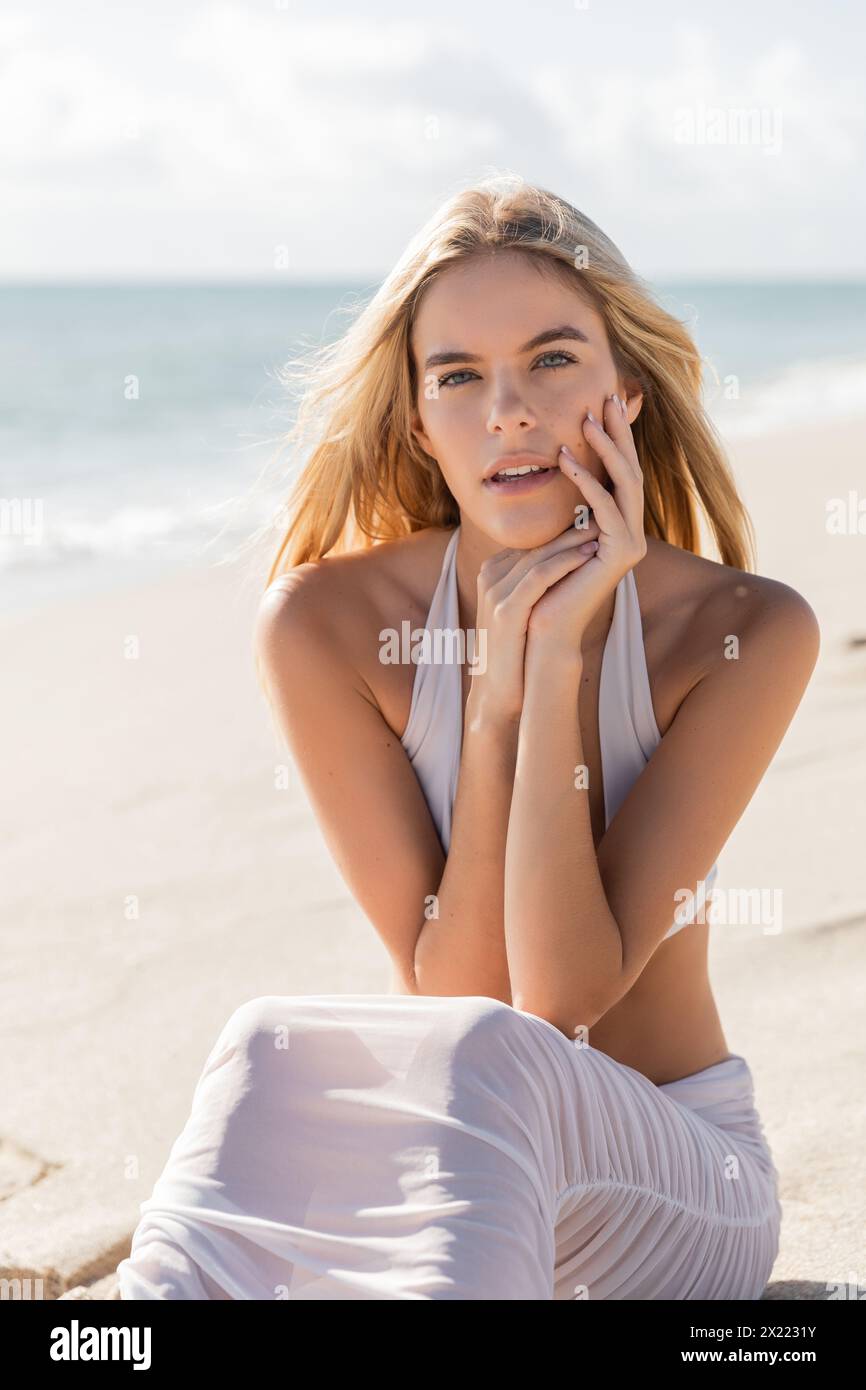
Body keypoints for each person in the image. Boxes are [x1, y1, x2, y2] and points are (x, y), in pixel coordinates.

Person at [116, 174, 819, 1300]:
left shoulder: (740, 630)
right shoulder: (326, 625)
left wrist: (548, 671)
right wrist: (490, 696)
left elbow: (546, 1006)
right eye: (458, 377)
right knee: (264, 1044)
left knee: (488, 1057)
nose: (509, 412)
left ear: (625, 391)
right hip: (461, 1157)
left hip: (684, 1187)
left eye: (550, 360)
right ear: (418, 422)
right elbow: (452, 984)